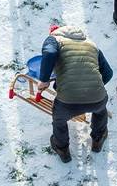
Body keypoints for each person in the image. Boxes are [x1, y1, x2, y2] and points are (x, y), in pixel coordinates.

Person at [36, 25, 113, 162]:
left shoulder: (54, 39)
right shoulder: (91, 44)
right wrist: (91, 88)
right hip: (98, 98)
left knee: (59, 120)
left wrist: (44, 80)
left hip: (68, 102)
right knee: (100, 111)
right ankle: (98, 139)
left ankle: (62, 149)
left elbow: (49, 53)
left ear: (54, 32)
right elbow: (108, 73)